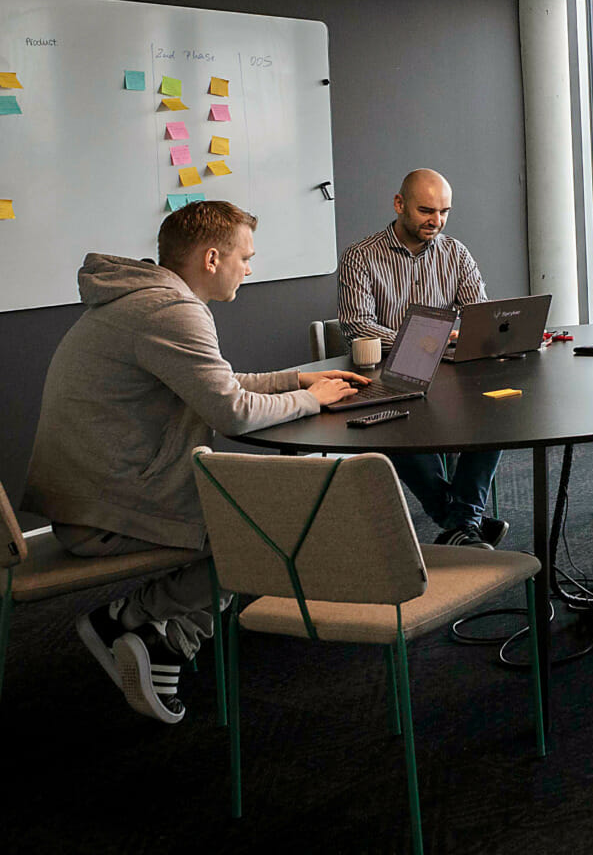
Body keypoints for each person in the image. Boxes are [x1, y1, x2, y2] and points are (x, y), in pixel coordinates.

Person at [24, 201, 364, 723]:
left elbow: (217, 383)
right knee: (271, 529)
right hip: (104, 514)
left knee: (255, 516)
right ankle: (132, 621)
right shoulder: (170, 312)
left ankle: (164, 639)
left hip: (96, 494)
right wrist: (312, 402)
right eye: (245, 257)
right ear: (212, 258)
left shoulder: (145, 300)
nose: (250, 268)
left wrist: (296, 382)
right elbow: (231, 412)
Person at [337, 168, 502, 548]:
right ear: (399, 204)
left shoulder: (455, 252)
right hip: (385, 378)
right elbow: (357, 326)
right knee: (388, 428)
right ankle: (464, 521)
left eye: (444, 211)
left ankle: (460, 522)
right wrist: (428, 340)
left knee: (497, 416)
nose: (437, 221)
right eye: (427, 210)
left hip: (448, 376)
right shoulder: (360, 257)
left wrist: (478, 331)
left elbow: (479, 314)